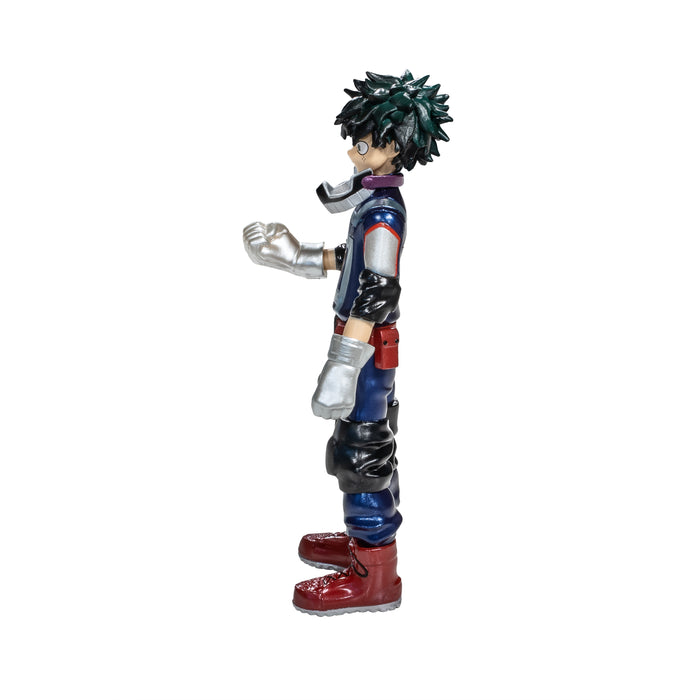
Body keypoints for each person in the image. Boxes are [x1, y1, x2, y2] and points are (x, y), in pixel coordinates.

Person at [243, 70, 451, 615]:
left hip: (366, 349)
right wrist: (297, 257)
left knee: (362, 449)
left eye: (363, 143)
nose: (353, 152)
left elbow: (377, 291)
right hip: (367, 350)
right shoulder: (372, 203)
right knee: (365, 440)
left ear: (393, 147)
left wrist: (342, 365)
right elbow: (352, 260)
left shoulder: (382, 213)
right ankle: (366, 542)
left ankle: (375, 571)